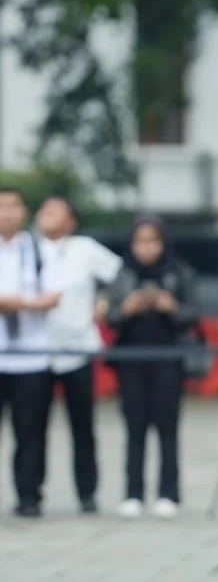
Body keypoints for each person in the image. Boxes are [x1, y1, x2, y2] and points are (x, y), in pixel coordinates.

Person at [106, 216, 199, 519]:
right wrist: (127, 308)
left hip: (168, 358)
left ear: (163, 243)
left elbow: (193, 315)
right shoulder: (121, 274)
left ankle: (168, 494)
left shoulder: (179, 272)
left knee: (167, 426)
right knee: (134, 425)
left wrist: (169, 306)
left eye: (153, 241)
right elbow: (110, 318)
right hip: (131, 359)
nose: (146, 248)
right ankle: (133, 493)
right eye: (140, 242)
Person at [36, 195, 123, 514]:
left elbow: (120, 275)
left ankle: (87, 493)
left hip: (78, 348)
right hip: (36, 351)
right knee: (32, 428)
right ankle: (31, 493)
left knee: (82, 426)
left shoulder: (85, 248)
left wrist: (104, 303)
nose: (46, 214)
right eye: (43, 210)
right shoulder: (27, 248)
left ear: (70, 221)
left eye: (55, 210)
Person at [0, 187, 64, 517]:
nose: (6, 213)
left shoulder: (40, 250)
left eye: (13, 206)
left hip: (31, 356)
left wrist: (18, 303)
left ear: (25, 211)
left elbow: (53, 296)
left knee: (31, 433)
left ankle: (29, 496)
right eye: (1, 207)